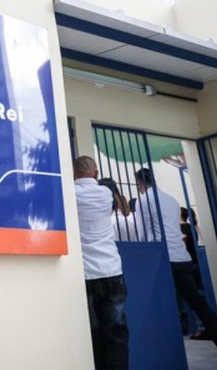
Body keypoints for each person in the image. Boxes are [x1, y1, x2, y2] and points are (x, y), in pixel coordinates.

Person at [132, 168, 217, 370]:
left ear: (140, 184)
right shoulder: (172, 200)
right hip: (182, 257)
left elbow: (142, 233)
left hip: (161, 259)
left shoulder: (143, 200)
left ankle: (159, 358)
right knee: (200, 306)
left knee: (157, 309)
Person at [75, 156, 129, 369]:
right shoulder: (106, 194)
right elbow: (123, 208)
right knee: (116, 332)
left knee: (93, 335)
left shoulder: (69, 194)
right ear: (96, 174)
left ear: (75, 173)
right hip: (111, 270)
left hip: (86, 274)